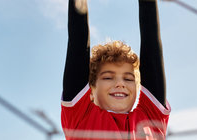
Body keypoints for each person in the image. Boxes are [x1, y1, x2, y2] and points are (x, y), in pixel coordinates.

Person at [61, 0, 170, 139]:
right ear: (90, 90)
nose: (120, 83)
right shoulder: (81, 118)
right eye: (108, 77)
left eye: (129, 78)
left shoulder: (150, 119)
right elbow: (78, 42)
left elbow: (151, 46)